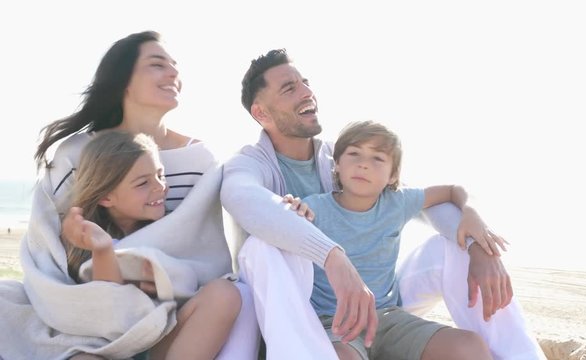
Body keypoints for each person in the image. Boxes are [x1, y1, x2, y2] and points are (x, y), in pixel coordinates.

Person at [221, 48, 544, 359]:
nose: (306, 92)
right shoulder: (250, 163)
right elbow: (243, 198)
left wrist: (476, 241)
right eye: (290, 88)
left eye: (305, 82)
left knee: (453, 242)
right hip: (301, 312)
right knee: (261, 248)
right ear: (262, 113)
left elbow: (422, 198)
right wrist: (332, 256)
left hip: (376, 300)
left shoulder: (347, 155)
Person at [0, 31, 258, 360]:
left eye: (175, 66)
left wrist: (164, 277)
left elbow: (202, 249)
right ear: (123, 80)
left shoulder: (201, 160)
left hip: (171, 312)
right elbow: (48, 249)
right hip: (90, 310)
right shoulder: (76, 153)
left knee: (227, 293)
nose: (173, 73)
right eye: (157, 64)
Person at [289, 120, 491, 359]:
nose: (363, 164)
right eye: (354, 154)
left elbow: (452, 189)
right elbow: (282, 223)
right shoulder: (314, 207)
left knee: (469, 346)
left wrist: (471, 212)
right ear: (337, 165)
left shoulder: (397, 202)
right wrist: (290, 209)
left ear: (393, 175)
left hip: (388, 318)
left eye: (378, 158)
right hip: (334, 324)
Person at [63, 130, 242, 359]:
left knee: (224, 293)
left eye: (161, 174)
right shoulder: (85, 236)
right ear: (106, 197)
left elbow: (195, 271)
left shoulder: (173, 230)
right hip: (114, 347)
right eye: (142, 183)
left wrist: (167, 279)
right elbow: (108, 305)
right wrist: (103, 249)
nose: (160, 187)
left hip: (161, 341)